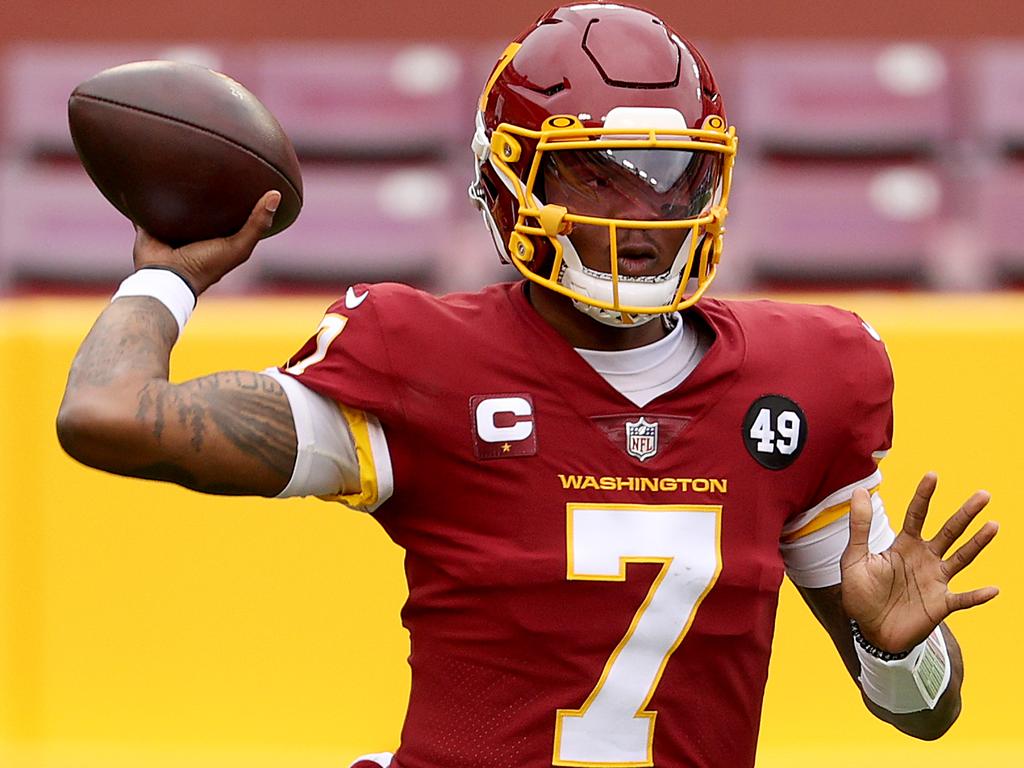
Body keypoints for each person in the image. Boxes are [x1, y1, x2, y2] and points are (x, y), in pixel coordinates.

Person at [56, 3, 999, 767]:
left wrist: (897, 649)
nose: (648, 217)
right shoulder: (419, 359)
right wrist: (167, 274)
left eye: (675, 180)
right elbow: (105, 417)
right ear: (508, 189)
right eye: (599, 181)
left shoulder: (805, 381)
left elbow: (926, 719)